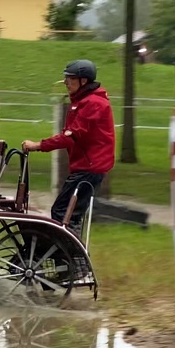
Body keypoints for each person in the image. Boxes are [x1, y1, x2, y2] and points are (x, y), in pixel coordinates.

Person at [21, 59, 115, 234]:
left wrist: (38, 145)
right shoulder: (82, 101)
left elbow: (70, 137)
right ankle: (67, 256)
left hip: (89, 168)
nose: (65, 82)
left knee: (64, 212)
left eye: (70, 78)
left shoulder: (92, 103)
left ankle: (70, 257)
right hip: (87, 166)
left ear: (83, 81)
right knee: (67, 213)